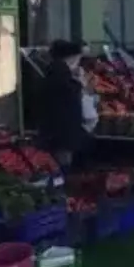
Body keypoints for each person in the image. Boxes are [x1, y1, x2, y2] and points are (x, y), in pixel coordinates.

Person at [39, 40, 90, 170]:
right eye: (79, 58)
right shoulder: (59, 72)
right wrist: (80, 84)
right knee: (61, 164)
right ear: (72, 57)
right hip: (61, 132)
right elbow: (68, 94)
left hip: (59, 131)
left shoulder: (56, 70)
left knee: (61, 162)